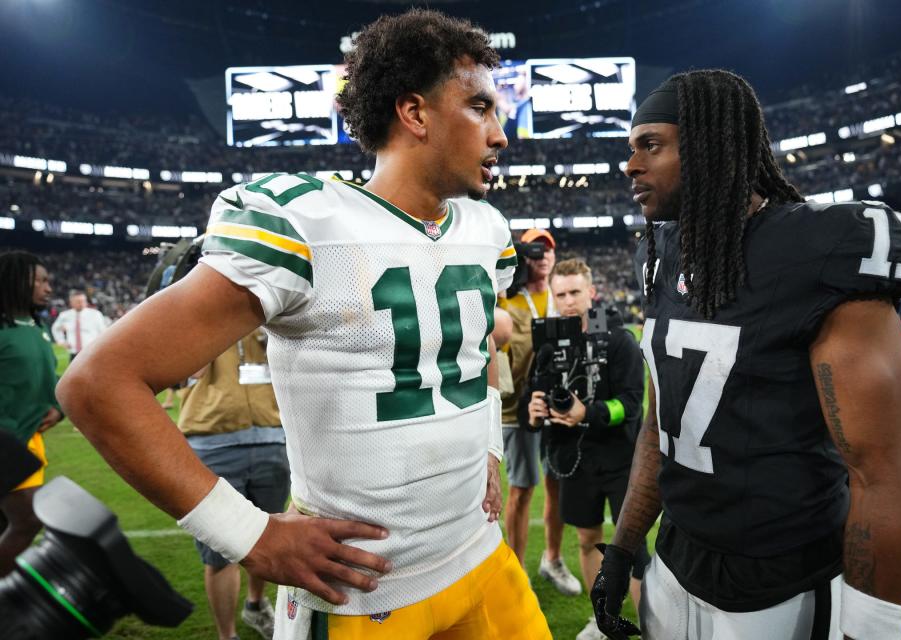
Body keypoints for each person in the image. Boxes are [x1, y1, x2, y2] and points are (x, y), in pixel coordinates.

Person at [57, 9, 551, 640]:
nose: (501, 133)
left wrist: (483, 441)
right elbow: (98, 383)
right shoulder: (309, 222)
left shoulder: (487, 232)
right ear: (415, 114)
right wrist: (249, 534)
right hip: (363, 593)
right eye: (480, 107)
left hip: (480, 557)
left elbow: (474, 349)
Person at [591, 70, 901, 640]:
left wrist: (870, 632)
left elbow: (884, 473)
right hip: (677, 560)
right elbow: (659, 426)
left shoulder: (818, 249)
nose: (630, 164)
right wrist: (622, 548)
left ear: (708, 146)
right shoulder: (664, 251)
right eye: (631, 148)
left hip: (782, 581)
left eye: (651, 144)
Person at [525, 258, 646, 640]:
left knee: (633, 546)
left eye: (575, 292)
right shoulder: (548, 344)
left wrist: (587, 413)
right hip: (574, 461)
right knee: (586, 538)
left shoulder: (617, 338)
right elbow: (535, 393)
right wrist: (534, 410)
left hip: (620, 458)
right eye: (560, 294)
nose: (568, 301)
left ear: (591, 292)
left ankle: (650, 625)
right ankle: (603, 620)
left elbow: (631, 404)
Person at [178, 329, 290, 640]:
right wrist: (220, 324)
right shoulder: (199, 311)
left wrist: (273, 331)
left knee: (268, 540)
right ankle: (227, 636)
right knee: (219, 555)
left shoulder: (267, 308)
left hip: (273, 438)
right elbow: (184, 372)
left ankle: (255, 606)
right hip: (212, 444)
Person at [499, 227, 581, 596]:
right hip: (518, 407)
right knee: (521, 488)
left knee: (556, 484)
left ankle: (552, 559)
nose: (543, 256)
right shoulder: (509, 299)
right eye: (533, 251)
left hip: (558, 405)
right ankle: (514, 569)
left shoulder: (560, 295)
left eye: (547, 249)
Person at [0, 251, 64, 576]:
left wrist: (59, 410)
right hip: (5, 445)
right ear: (14, 281)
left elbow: (50, 384)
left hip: (29, 444)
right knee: (26, 521)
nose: (48, 287)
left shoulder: (37, 328)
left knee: (9, 526)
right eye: (40, 280)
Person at [51, 290, 109, 361]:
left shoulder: (95, 314)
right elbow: (56, 328)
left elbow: (103, 332)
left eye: (83, 301)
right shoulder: (65, 315)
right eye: (78, 301)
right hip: (73, 353)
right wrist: (61, 341)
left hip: (91, 353)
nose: (81, 303)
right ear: (71, 303)